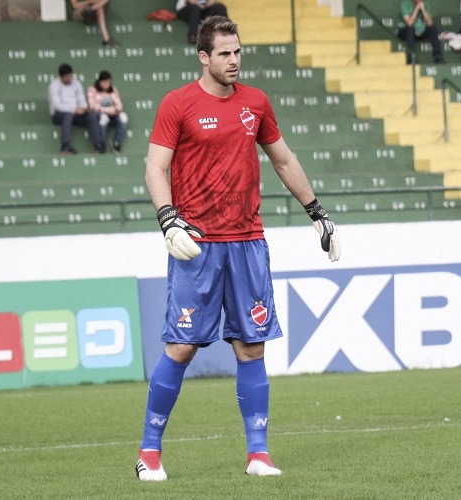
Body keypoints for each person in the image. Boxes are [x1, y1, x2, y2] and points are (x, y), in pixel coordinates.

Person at [135, 15, 341, 482]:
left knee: (251, 347)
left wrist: (318, 214)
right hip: (197, 246)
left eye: (238, 51)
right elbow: (155, 168)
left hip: (248, 243)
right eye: (224, 53)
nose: (234, 60)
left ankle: (258, 455)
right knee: (182, 347)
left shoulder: (256, 103)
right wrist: (168, 219)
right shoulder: (178, 103)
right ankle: (149, 452)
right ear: (203, 56)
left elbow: (283, 158)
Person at [48, 64, 105, 154]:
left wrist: (84, 108)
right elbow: (57, 105)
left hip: (76, 113)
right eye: (66, 77)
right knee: (68, 116)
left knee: (91, 116)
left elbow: (81, 99)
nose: (69, 79)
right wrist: (74, 109)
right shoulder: (54, 86)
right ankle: (65, 147)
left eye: (70, 76)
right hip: (58, 115)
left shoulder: (76, 83)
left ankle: (98, 145)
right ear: (60, 77)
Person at [87, 70, 128, 154]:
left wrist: (116, 109)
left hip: (113, 113)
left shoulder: (113, 90)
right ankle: (102, 144)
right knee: (103, 118)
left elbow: (119, 104)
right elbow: (92, 106)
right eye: (104, 82)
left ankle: (116, 143)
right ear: (99, 82)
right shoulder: (92, 89)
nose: (106, 84)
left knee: (123, 118)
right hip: (99, 114)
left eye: (108, 82)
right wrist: (106, 110)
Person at [396, 0, 445, 64]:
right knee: (410, 29)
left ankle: (437, 58)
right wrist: (416, 9)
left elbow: (430, 23)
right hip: (404, 31)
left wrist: (423, 9)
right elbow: (409, 23)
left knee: (433, 29)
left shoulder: (426, 4)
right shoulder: (405, 4)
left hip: (420, 30)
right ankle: (411, 59)